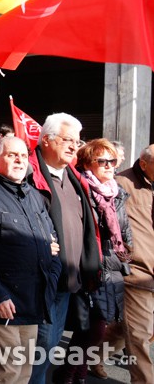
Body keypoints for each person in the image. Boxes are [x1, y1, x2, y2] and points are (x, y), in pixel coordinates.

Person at [0, 136, 61, 383]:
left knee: (22, 372)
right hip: (3, 301)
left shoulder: (34, 196)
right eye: (11, 155)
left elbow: (53, 244)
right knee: (3, 372)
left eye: (23, 154)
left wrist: (51, 276)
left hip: (32, 299)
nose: (19, 159)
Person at [28, 113, 101, 384]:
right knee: (38, 350)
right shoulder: (28, 174)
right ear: (46, 140)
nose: (74, 146)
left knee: (49, 348)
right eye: (67, 139)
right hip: (40, 282)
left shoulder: (73, 178)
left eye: (77, 141)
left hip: (69, 281)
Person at [54, 139, 132, 383]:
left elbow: (125, 231)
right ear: (87, 164)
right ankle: (67, 375)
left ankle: (76, 375)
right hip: (89, 266)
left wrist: (127, 255)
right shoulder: (81, 189)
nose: (110, 166)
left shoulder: (116, 191)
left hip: (113, 266)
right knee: (92, 329)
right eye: (103, 161)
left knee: (94, 329)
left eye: (113, 161)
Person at [116, 144, 154, 384]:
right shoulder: (121, 184)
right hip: (137, 274)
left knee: (127, 330)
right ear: (143, 164)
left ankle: (91, 356)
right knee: (140, 337)